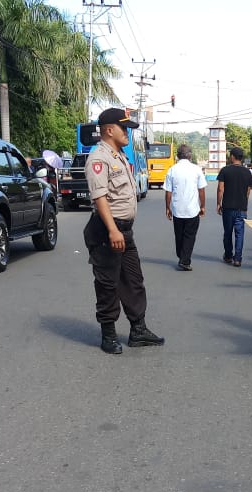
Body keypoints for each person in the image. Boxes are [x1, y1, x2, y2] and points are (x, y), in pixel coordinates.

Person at [83, 107, 165, 354]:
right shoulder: (99, 158)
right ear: (109, 130)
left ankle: (138, 330)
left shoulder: (118, 156)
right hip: (108, 230)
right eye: (124, 127)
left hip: (123, 230)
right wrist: (112, 230)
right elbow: (100, 197)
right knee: (108, 284)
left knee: (133, 280)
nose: (128, 132)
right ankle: (108, 334)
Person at [164, 144, 207, 271]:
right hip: (192, 210)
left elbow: (168, 192)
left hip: (177, 209)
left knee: (179, 235)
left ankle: (181, 256)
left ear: (177, 155)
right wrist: (203, 206)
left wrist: (168, 208)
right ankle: (184, 260)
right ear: (190, 155)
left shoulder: (172, 170)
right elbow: (201, 190)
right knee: (190, 235)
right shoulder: (196, 169)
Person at [215, 147, 252, 267]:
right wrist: (244, 202)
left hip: (228, 207)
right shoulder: (248, 172)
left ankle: (228, 256)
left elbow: (220, 188)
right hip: (241, 208)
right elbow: (248, 191)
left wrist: (218, 203)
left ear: (232, 156)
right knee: (239, 233)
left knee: (227, 232)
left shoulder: (225, 170)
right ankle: (238, 259)